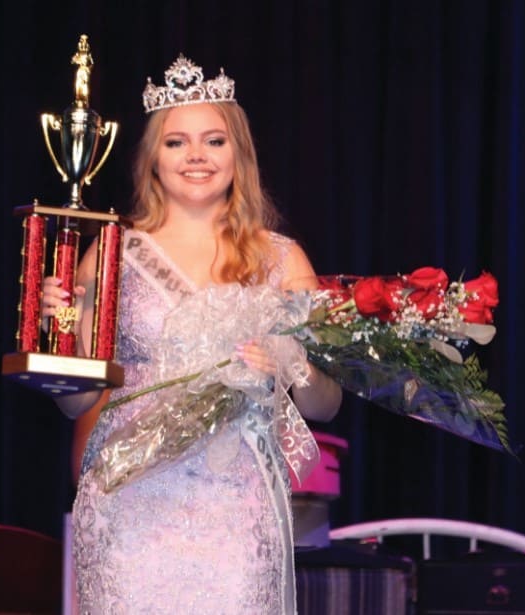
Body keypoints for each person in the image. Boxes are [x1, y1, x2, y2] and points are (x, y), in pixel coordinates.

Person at [42, 54, 342, 614]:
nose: (197, 156)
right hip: (129, 504)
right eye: (176, 142)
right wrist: (58, 335)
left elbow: (326, 405)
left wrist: (290, 363)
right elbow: (76, 401)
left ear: (239, 155)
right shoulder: (112, 252)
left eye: (215, 141)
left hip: (235, 513)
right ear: (152, 158)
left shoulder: (282, 260)